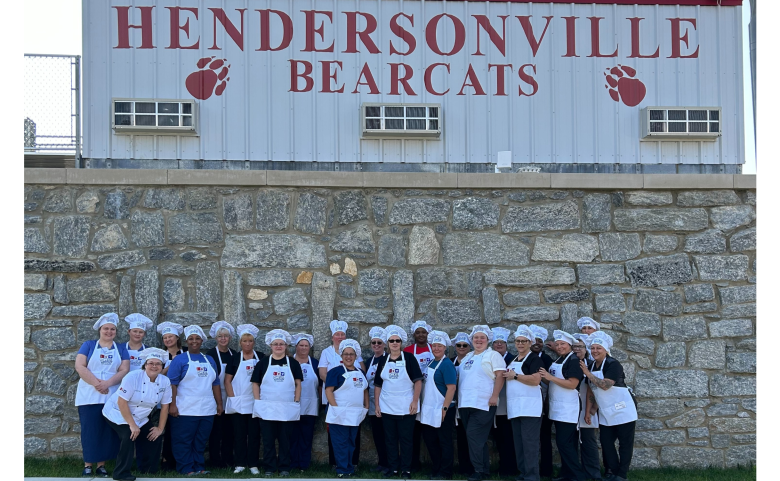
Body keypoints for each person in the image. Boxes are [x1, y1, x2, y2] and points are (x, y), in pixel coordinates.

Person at [75, 313, 130, 478]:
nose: (109, 331)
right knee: (90, 430)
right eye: (106, 328)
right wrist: (97, 383)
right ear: (100, 329)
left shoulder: (120, 348)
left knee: (107, 431)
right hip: (89, 396)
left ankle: (101, 465)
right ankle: (88, 465)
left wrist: (107, 383)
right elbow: (80, 366)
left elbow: (124, 369)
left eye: (112, 329)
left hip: (111, 396)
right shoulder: (89, 345)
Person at [102, 348, 171, 481]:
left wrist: (160, 428)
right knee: (128, 435)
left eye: (158, 364)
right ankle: (121, 473)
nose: (154, 366)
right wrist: (132, 425)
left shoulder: (164, 382)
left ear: (162, 367)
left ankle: (148, 469)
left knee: (154, 435)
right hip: (117, 412)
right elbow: (122, 401)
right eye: (151, 363)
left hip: (141, 417)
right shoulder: (133, 376)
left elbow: (165, 407)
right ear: (145, 365)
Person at [166, 325, 223, 476]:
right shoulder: (179, 360)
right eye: (191, 339)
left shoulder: (209, 359)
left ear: (202, 341)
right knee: (183, 440)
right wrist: (172, 404)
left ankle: (199, 466)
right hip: (185, 408)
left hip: (206, 408)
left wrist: (219, 404)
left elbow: (215, 383)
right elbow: (172, 383)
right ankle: (186, 468)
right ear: (186, 341)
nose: (194, 341)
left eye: (197, 338)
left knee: (200, 440)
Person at [581, 332, 637, 481]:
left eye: (598, 348)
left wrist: (587, 373)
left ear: (605, 350)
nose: (594, 351)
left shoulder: (613, 364)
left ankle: (621, 474)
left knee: (625, 444)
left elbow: (605, 385)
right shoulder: (592, 365)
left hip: (623, 408)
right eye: (592, 348)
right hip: (606, 410)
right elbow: (591, 390)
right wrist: (589, 410)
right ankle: (611, 470)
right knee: (606, 442)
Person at [457, 325, 506, 481]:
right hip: (465, 404)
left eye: (482, 338)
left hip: (483, 403)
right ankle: (484, 470)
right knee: (478, 439)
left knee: (473, 435)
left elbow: (500, 376)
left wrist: (494, 395)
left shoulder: (493, 355)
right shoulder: (467, 357)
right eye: (476, 338)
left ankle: (478, 470)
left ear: (487, 340)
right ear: (472, 340)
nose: (479, 340)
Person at [374, 325, 423, 479]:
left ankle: (406, 469)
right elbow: (377, 385)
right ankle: (393, 468)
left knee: (406, 440)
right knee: (390, 440)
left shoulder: (409, 358)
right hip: (387, 407)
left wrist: (415, 401)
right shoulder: (383, 360)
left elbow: (418, 381)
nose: (394, 343)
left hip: (406, 407)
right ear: (387, 343)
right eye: (391, 340)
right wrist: (376, 405)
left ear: (401, 342)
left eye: (397, 340)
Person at [251, 329, 302, 477]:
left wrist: (296, 400)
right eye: (276, 344)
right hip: (267, 408)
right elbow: (255, 383)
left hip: (287, 407)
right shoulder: (263, 363)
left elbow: (298, 384)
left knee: (285, 440)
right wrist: (257, 401)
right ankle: (269, 468)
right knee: (268, 440)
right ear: (271, 346)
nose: (278, 346)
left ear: (286, 346)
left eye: (281, 344)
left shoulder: (292, 363)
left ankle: (284, 467)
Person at [539, 330, 586, 481]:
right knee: (566, 443)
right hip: (556, 407)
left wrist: (550, 377)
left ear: (570, 345)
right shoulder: (559, 360)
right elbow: (552, 381)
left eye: (563, 344)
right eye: (557, 344)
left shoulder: (573, 361)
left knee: (563, 442)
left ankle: (577, 475)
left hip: (568, 408)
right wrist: (543, 377)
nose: (559, 347)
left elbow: (572, 384)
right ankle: (567, 474)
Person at [319, 320, 365, 468]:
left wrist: (365, 405)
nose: (340, 337)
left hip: (354, 406)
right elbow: (324, 378)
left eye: (342, 334)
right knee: (337, 437)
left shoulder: (358, 366)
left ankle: (351, 464)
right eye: (337, 334)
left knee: (352, 437)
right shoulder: (328, 355)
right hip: (336, 403)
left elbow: (364, 385)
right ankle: (338, 465)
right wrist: (338, 385)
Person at [500, 325, 543, 481]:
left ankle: (532, 476)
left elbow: (536, 379)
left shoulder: (534, 359)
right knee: (519, 444)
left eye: (524, 341)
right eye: (518, 341)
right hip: (515, 407)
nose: (520, 344)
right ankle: (523, 473)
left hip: (530, 408)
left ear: (530, 343)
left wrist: (516, 376)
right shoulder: (513, 359)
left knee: (529, 443)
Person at [325, 339, 370, 478]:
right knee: (340, 443)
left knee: (351, 443)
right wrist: (336, 408)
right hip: (339, 414)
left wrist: (366, 406)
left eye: (351, 354)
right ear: (341, 355)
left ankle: (349, 468)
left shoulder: (360, 372)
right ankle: (342, 470)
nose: (348, 357)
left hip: (355, 414)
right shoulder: (335, 371)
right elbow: (329, 390)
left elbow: (365, 390)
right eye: (346, 354)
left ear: (356, 356)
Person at [224, 324, 264, 475]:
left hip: (255, 401)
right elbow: (227, 381)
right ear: (240, 343)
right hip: (238, 402)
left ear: (254, 342)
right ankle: (240, 463)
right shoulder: (234, 358)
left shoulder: (261, 357)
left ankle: (253, 463)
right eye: (245, 341)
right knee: (239, 435)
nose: (248, 344)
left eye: (250, 341)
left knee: (254, 434)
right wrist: (233, 398)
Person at [420, 331, 457, 480]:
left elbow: (451, 388)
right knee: (431, 441)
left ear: (445, 348)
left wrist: (445, 408)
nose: (436, 348)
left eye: (439, 346)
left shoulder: (446, 364)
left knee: (444, 442)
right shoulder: (431, 362)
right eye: (434, 345)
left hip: (442, 409)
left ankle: (446, 472)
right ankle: (436, 469)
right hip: (429, 408)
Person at [403, 320, 434, 471]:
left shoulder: (434, 349)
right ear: (414, 334)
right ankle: (414, 464)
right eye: (418, 332)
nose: (421, 335)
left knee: (429, 430)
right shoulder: (408, 350)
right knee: (413, 432)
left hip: (430, 392)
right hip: (413, 392)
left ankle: (433, 463)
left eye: (424, 332)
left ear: (428, 334)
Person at [206, 321, 237, 469]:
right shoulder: (210, 355)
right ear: (216, 338)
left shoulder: (235, 355)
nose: (223, 339)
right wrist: (218, 402)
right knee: (216, 432)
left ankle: (228, 459)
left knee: (229, 431)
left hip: (231, 396)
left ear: (230, 338)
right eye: (220, 336)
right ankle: (215, 461)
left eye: (225, 336)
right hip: (215, 396)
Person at [156, 321, 184, 471]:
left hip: (184, 395)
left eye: (170, 337)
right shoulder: (159, 355)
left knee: (180, 431)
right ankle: (166, 459)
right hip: (164, 396)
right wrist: (171, 365)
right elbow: (155, 374)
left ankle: (180, 459)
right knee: (166, 429)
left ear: (177, 338)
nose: (167, 340)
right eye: (165, 338)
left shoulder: (186, 352)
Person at [290, 333, 319, 472]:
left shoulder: (315, 363)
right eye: (301, 345)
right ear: (296, 346)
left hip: (310, 405)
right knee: (292, 436)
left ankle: (304, 464)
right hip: (292, 404)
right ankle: (292, 463)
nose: (303, 348)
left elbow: (320, 385)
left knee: (306, 437)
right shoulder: (290, 362)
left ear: (310, 347)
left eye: (306, 345)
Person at [490, 326, 517, 478]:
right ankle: (503, 465)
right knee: (498, 438)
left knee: (508, 437)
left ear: (506, 344)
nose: (499, 345)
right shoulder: (490, 358)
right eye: (496, 342)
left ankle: (510, 467)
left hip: (507, 404)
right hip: (494, 405)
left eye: (502, 342)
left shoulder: (512, 359)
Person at [574, 335, 601, 481]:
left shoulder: (591, 365)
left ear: (586, 350)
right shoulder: (569, 362)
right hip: (571, 409)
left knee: (588, 442)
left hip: (587, 409)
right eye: (575, 346)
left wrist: (593, 408)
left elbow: (598, 388)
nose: (577, 349)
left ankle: (593, 474)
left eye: (581, 346)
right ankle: (575, 474)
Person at [529, 324, 554, 479]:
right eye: (534, 340)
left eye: (540, 341)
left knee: (544, 437)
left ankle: (546, 469)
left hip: (544, 403)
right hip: (527, 403)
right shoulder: (523, 358)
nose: (537, 343)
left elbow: (551, 380)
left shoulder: (546, 359)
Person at [366, 326, 390, 475]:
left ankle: (389, 464)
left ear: (384, 345)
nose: (376, 345)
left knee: (388, 436)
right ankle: (382, 463)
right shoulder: (369, 361)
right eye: (374, 343)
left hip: (386, 404)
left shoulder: (388, 359)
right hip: (372, 404)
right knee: (378, 436)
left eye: (379, 343)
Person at [450, 332, 474, 477]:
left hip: (469, 403)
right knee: (460, 437)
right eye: (459, 345)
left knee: (472, 436)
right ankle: (463, 467)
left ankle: (474, 466)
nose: (461, 347)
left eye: (465, 345)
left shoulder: (473, 361)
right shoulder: (450, 361)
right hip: (455, 405)